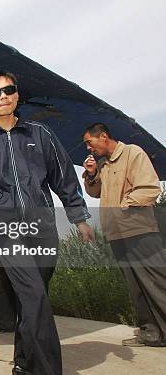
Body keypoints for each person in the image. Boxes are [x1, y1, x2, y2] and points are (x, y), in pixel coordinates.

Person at [0, 71, 94, 375]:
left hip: (43, 228)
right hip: (4, 230)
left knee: (34, 300)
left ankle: (24, 363)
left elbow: (64, 178)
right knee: (35, 297)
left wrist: (79, 217)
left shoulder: (41, 134)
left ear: (17, 95)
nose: (2, 96)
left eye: (8, 90)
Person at [82, 122, 166, 347]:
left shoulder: (133, 153)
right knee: (136, 287)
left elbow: (150, 188)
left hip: (139, 231)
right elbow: (95, 192)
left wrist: (124, 206)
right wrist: (91, 174)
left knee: (156, 282)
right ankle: (151, 333)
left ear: (104, 137)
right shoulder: (104, 165)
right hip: (117, 235)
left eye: (89, 142)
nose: (88, 148)